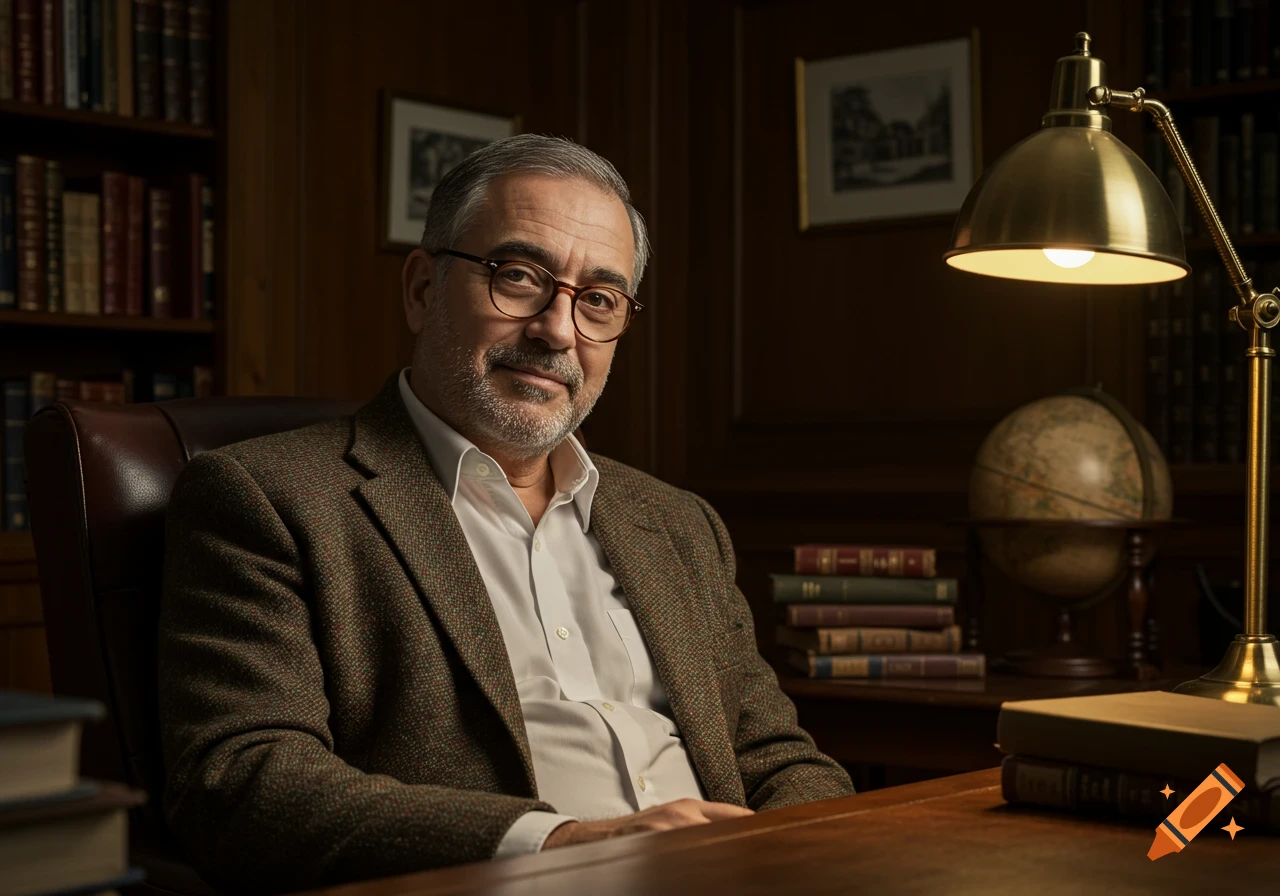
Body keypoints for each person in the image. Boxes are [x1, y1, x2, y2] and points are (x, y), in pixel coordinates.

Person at [157, 134, 854, 894]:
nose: (558, 331)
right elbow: (243, 783)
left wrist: (799, 855)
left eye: (598, 300)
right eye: (519, 278)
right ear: (423, 288)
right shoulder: (269, 498)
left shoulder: (678, 523)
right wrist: (567, 845)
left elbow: (778, 758)